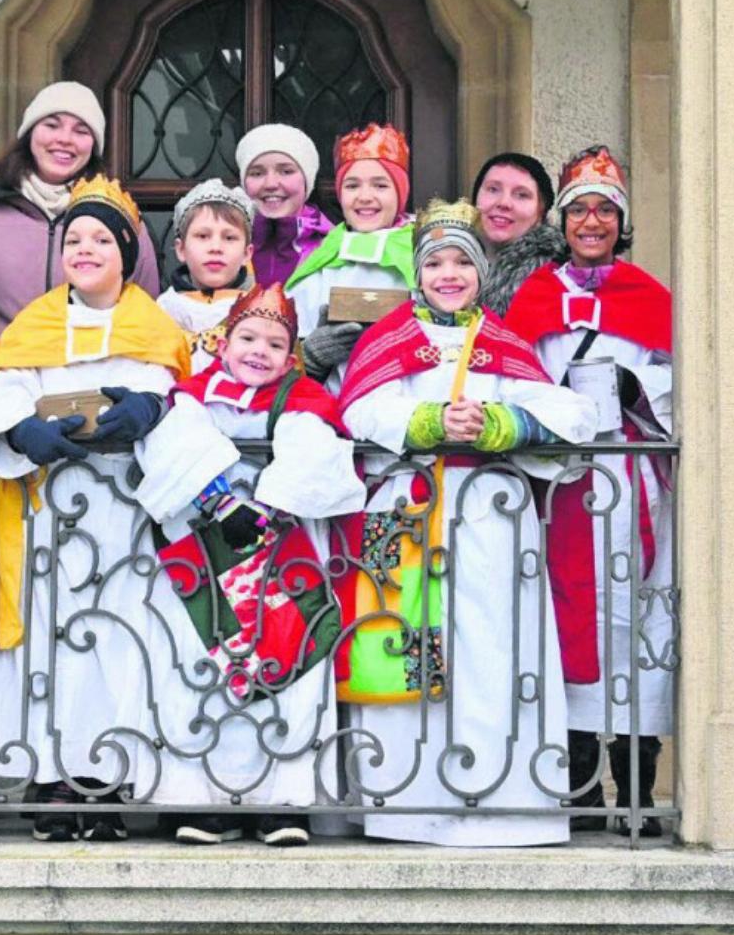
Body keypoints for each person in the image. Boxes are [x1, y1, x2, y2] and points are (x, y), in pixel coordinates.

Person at [0, 175, 233, 842]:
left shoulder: (151, 322)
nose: (85, 250)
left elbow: (165, 385)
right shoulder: (36, 321)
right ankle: (55, 782)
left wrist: (147, 404)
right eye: (73, 239)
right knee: (55, 639)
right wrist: (22, 428)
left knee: (121, 641)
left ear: (125, 250)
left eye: (100, 240)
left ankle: (111, 780)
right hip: (52, 514)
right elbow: (1, 388)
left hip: (123, 515)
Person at [336, 199, 598, 846]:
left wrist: (499, 425)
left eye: (462, 262)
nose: (448, 274)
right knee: (403, 649)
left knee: (490, 651)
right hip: (404, 517)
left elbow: (574, 416)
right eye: (435, 263)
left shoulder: (504, 344)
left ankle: (501, 802)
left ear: (481, 272)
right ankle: (407, 805)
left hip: (488, 522)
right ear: (418, 273)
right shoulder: (387, 339)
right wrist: (427, 422)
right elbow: (359, 413)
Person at [152, 284, 365, 847]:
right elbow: (175, 444)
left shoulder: (305, 399)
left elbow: (313, 449)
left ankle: (284, 799)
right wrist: (224, 503)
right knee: (204, 668)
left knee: (291, 661)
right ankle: (200, 798)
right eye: (247, 337)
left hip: (285, 550)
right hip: (206, 551)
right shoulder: (190, 397)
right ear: (222, 342)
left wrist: (268, 505)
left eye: (275, 343)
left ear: (291, 355)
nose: (258, 351)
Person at [503, 145, 675, 837]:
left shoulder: (649, 295)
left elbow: (682, 382)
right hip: (564, 484)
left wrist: (642, 391)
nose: (593, 221)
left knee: (638, 628)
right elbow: (513, 376)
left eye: (606, 210)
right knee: (569, 620)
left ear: (621, 221)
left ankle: (634, 787)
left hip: (635, 485)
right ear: (563, 221)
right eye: (581, 210)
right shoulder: (535, 294)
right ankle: (578, 790)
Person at [0, 82, 161, 332]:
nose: (64, 139)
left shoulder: (121, 219)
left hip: (89, 367)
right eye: (51, 125)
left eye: (81, 130)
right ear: (30, 133)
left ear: (94, 146)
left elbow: (146, 309)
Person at [286, 123, 416, 386]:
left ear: (400, 194)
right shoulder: (321, 259)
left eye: (380, 186)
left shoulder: (427, 256)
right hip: (329, 411)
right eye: (352, 185)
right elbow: (282, 346)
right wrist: (310, 356)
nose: (365, 197)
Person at [157, 178, 257, 373]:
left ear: (247, 253)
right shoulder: (162, 310)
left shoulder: (260, 309)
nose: (216, 247)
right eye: (203, 236)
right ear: (181, 249)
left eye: (229, 238)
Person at [471, 151, 569, 316]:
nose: (504, 203)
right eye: (493, 189)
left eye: (522, 195)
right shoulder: (444, 261)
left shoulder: (558, 279)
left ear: (541, 211)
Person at [235, 124, 333, 287]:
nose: (271, 184)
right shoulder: (224, 242)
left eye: (286, 171)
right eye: (257, 173)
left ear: (307, 180)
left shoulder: (334, 248)